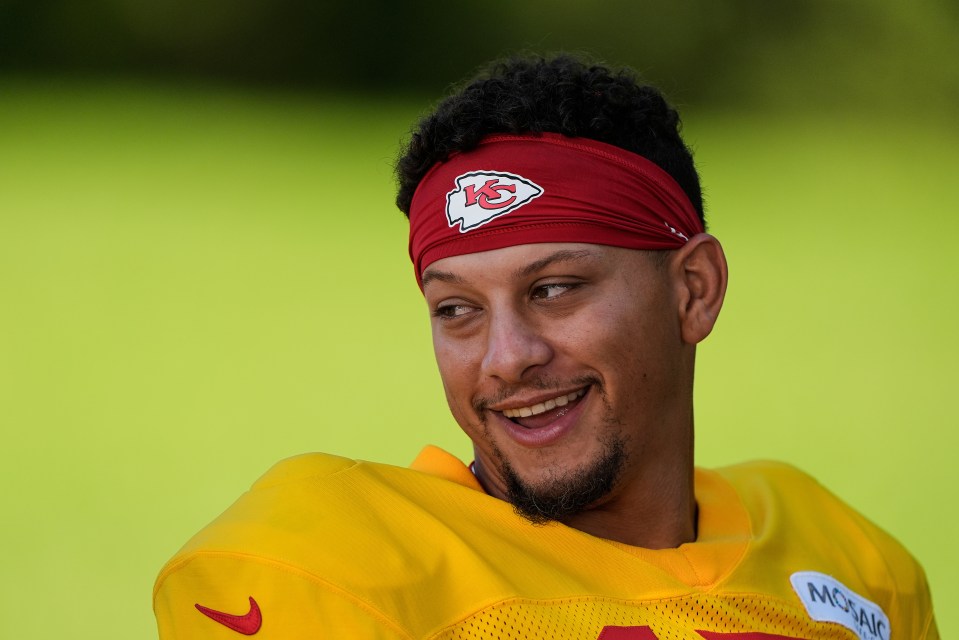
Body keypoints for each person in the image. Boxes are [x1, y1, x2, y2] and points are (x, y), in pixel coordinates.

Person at [153, 54, 938, 639]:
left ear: (692, 290)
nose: (505, 357)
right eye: (456, 308)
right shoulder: (332, 561)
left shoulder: (851, 565)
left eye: (554, 289)